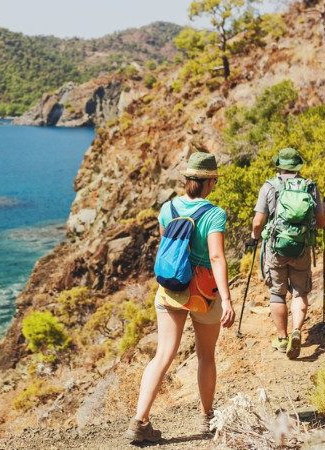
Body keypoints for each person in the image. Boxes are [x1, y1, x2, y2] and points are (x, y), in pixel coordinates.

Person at [125, 152, 236, 443]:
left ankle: (139, 421)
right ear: (210, 182)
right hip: (203, 293)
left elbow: (167, 245)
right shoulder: (214, 214)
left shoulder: (168, 207)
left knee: (162, 354)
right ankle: (207, 417)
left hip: (172, 288)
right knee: (206, 355)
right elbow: (216, 257)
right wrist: (227, 299)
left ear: (188, 180)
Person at [248, 148, 325, 359]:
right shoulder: (310, 187)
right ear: (298, 166)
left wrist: (254, 238)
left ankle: (283, 338)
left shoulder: (269, 186)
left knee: (277, 293)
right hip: (301, 247)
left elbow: (258, 222)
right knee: (299, 292)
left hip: (275, 248)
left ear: (279, 165)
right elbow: (321, 223)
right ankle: (296, 331)